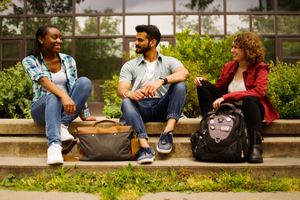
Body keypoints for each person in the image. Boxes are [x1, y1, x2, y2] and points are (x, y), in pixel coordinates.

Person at [194, 32, 279, 163]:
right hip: (230, 109)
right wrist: (204, 82)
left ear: (247, 49)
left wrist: (227, 97)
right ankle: (210, 129)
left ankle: (256, 145)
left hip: (251, 110)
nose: (231, 50)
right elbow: (219, 89)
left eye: (235, 47)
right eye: (232, 47)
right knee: (202, 85)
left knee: (249, 99)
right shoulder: (229, 67)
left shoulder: (260, 68)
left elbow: (259, 92)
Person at [22, 25, 96, 165]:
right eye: (54, 37)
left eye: (60, 38)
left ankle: (62, 124)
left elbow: (75, 84)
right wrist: (63, 95)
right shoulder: (30, 60)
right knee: (53, 94)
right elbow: (43, 80)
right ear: (41, 39)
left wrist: (84, 114)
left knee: (84, 82)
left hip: (67, 109)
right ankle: (54, 146)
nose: (59, 41)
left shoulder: (68, 60)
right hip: (42, 108)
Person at [117, 25, 189, 164]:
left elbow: (184, 73)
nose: (136, 43)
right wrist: (130, 93)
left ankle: (167, 133)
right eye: (136, 39)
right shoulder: (130, 65)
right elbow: (121, 90)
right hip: (140, 108)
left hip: (162, 107)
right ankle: (144, 147)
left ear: (153, 42)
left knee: (180, 84)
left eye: (140, 40)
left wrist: (161, 81)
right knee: (126, 101)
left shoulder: (169, 61)